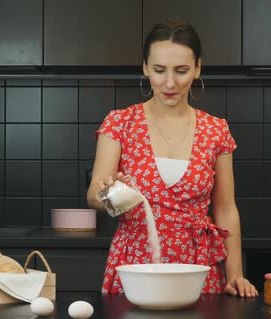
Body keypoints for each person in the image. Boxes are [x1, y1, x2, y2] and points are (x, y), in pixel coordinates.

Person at [87, 18, 258, 297]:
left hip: (197, 265)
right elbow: (94, 194)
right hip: (135, 264)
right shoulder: (120, 123)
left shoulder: (216, 130)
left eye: (181, 71)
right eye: (158, 70)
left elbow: (226, 209)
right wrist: (108, 194)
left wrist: (235, 274)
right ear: (145, 68)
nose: (170, 82)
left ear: (198, 69)